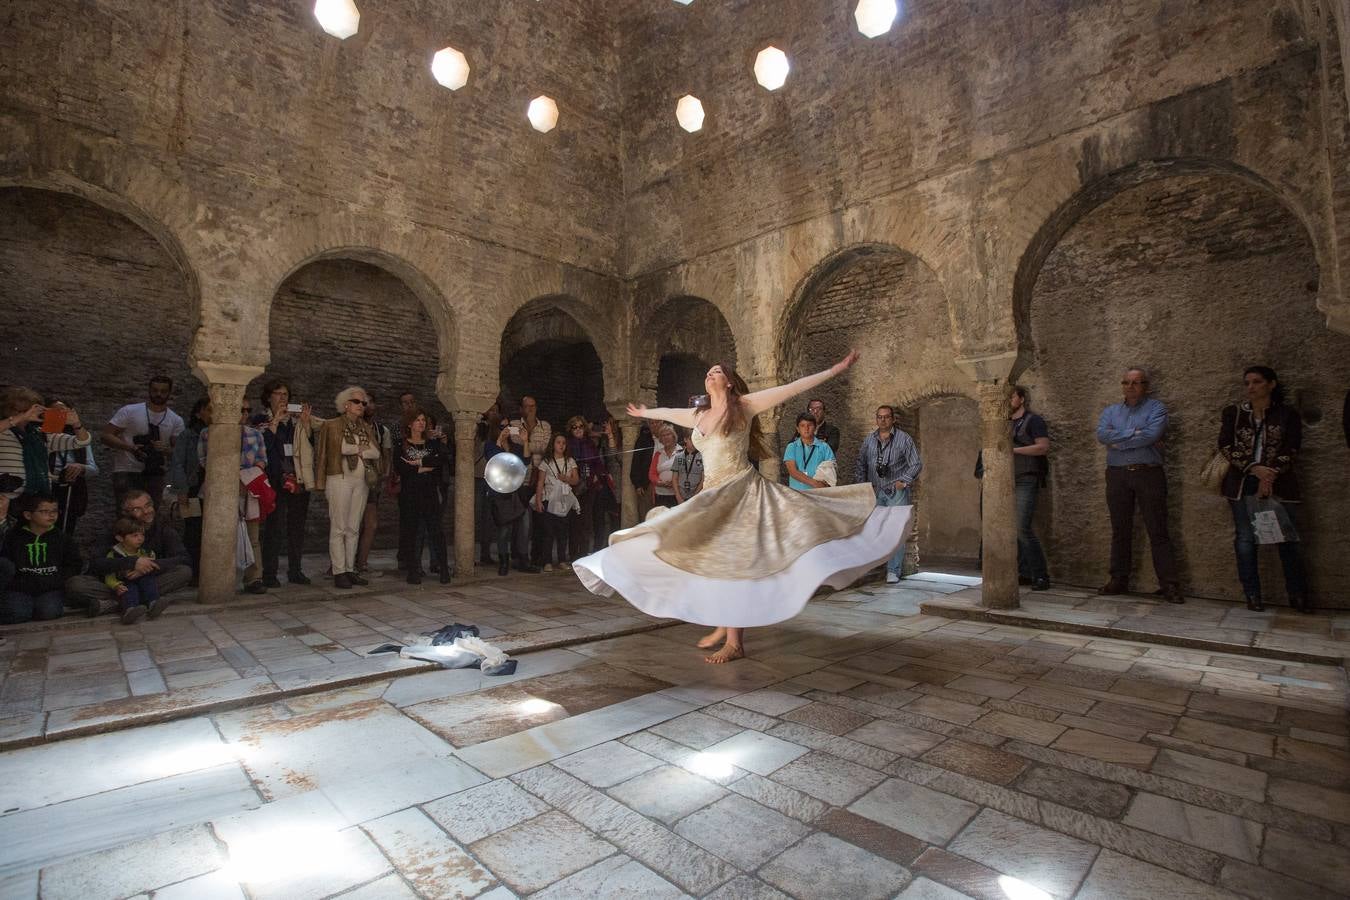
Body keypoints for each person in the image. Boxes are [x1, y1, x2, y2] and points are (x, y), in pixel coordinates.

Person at [574, 353, 912, 664]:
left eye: (717, 371)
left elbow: (791, 387)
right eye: (708, 372)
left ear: (729, 381)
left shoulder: (744, 405)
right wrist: (645, 413)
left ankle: (734, 641)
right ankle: (725, 624)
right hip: (712, 495)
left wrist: (834, 371)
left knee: (734, 559)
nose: (710, 374)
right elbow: (670, 413)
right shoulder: (699, 414)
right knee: (692, 548)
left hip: (742, 492)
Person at [1217, 366, 1310, 612]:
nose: (1251, 387)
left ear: (1271, 384)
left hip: (1279, 481)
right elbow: (1226, 445)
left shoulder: (1286, 414)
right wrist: (1253, 468)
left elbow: (1292, 447)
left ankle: (1297, 594)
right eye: (1247, 382)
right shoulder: (1234, 413)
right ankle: (1252, 594)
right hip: (1243, 481)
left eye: (1257, 382)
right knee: (1246, 539)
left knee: (1287, 539)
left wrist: (1269, 475)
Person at [1095, 367, 1182, 604]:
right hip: (1117, 475)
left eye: (1136, 382)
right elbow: (1102, 435)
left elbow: (1151, 435)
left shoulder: (1156, 408)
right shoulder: (1111, 411)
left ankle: (1169, 584)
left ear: (1146, 386)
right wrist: (1134, 433)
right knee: (1120, 529)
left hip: (1148, 474)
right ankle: (1119, 579)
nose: (1130, 387)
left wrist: (1120, 440)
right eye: (1126, 382)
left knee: (1158, 529)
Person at [67, 488, 194, 616]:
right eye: (137, 509)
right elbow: (95, 564)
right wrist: (132, 563)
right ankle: (141, 601)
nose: (145, 512)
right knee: (76, 584)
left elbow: (183, 558)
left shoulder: (163, 530)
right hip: (118, 584)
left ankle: (115, 604)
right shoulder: (116, 531)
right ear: (126, 513)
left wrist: (146, 566)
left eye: (148, 505)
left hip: (148, 581)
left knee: (184, 572)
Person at [254, 380, 319, 587]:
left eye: (286, 395)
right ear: (268, 396)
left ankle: (295, 570)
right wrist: (274, 423)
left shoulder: (295, 422)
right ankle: (269, 573)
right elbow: (262, 447)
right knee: (274, 527)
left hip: (296, 479)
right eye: (278, 394)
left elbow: (309, 448)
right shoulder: (260, 420)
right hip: (275, 479)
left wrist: (306, 425)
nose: (282, 398)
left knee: (297, 527)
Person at [315, 387, 381, 588]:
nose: (362, 406)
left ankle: (350, 569)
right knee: (339, 527)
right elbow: (336, 449)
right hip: (339, 478)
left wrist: (359, 450)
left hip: (360, 481)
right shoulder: (333, 425)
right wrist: (359, 449)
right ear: (346, 404)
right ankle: (339, 571)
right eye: (357, 402)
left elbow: (376, 452)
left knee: (353, 527)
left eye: (364, 403)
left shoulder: (365, 427)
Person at [200, 401, 270, 594]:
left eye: (248, 410)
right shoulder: (208, 433)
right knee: (220, 535)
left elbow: (262, 460)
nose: (245, 413)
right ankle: (219, 579)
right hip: (220, 490)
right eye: (241, 409)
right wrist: (229, 479)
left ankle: (254, 578)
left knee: (252, 536)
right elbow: (205, 460)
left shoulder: (255, 435)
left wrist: (245, 479)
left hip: (248, 489)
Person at [855, 405, 922, 584]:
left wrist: (904, 481)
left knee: (895, 531)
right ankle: (875, 565)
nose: (883, 420)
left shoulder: (904, 439)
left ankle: (893, 570)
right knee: (874, 530)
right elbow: (861, 463)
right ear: (876, 419)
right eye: (879, 417)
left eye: (886, 417)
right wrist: (862, 486)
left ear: (893, 419)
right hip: (875, 491)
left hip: (896, 491)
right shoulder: (869, 440)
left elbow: (916, 464)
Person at [101, 375, 184, 506]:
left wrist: (165, 449)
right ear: (149, 390)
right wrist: (130, 448)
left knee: (151, 514)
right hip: (127, 470)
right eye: (155, 390)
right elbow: (106, 435)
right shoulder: (130, 411)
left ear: (169, 393)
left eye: (163, 391)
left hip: (155, 474)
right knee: (127, 514)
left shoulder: (176, 420)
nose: (158, 394)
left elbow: (179, 453)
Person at [1, 388, 93, 503]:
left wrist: (76, 424)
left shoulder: (40, 434)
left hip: (36, 500)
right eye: (20, 410)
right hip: (5, 499)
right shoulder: (3, 431)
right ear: (7, 409)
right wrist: (19, 418)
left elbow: (82, 441)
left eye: (29, 409)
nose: (27, 413)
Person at [0, 493, 81, 624]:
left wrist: (57, 581)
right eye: (44, 511)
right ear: (28, 515)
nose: (51, 515)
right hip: (20, 588)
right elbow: (6, 563)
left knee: (48, 612)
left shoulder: (63, 538)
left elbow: (74, 564)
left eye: (54, 511)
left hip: (50, 587)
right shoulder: (14, 537)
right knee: (17, 613)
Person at [397, 408, 451, 584]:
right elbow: (401, 468)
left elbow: (440, 460)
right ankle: (413, 570)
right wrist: (424, 468)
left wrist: (419, 463)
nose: (421, 423)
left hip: (429, 492)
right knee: (411, 532)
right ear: (410, 423)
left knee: (436, 531)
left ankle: (444, 569)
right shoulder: (401, 444)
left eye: (423, 420)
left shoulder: (432, 444)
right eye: (417, 420)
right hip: (410, 493)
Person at [1010, 386, 1051, 591]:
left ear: (1022, 398)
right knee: (1013, 529)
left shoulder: (1033, 420)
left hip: (1027, 478)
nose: (1007, 401)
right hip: (1008, 481)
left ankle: (1041, 575)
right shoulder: (1005, 423)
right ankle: (1025, 572)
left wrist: (1013, 450)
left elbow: (1043, 447)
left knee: (1022, 527)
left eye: (1011, 397)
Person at [168, 398, 210, 584]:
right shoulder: (188, 435)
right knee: (193, 530)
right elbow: (178, 463)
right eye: (208, 410)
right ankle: (192, 571)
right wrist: (182, 489)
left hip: (213, 489)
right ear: (198, 412)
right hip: (193, 489)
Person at [485, 412, 531, 576]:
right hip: (500, 493)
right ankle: (503, 562)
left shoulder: (514, 447)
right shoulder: (490, 445)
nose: (505, 430)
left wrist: (525, 441)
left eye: (507, 426)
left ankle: (524, 560)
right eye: (502, 427)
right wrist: (499, 440)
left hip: (516, 492)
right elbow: (492, 458)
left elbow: (526, 461)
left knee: (524, 526)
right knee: (504, 529)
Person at [47, 398, 99, 538]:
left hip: (70, 487)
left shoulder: (80, 436)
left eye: (64, 412)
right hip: (47, 485)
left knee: (66, 528)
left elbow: (94, 469)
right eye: (55, 411)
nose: (60, 415)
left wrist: (81, 467)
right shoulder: (40, 434)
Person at [103, 517, 168, 624]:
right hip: (125, 582)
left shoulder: (145, 551)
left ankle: (153, 604)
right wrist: (116, 585)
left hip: (144, 581)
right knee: (129, 590)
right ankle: (130, 611)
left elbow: (154, 565)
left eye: (142, 535)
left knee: (149, 582)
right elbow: (109, 575)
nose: (140, 539)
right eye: (135, 536)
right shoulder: (114, 554)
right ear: (120, 538)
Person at [354, 395, 393, 575]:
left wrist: (383, 475)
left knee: (370, 524)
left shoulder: (381, 430)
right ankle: (340, 564)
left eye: (370, 402)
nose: (367, 405)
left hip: (371, 482)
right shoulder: (350, 426)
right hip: (351, 479)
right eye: (363, 402)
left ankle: (361, 563)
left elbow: (386, 455)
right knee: (349, 523)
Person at [534, 432, 580, 571]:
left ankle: (561, 560)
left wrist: (566, 479)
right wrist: (538, 500)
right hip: (549, 498)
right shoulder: (546, 462)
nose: (561, 445)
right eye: (558, 442)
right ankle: (547, 561)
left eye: (564, 443)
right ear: (553, 445)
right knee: (548, 531)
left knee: (563, 531)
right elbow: (540, 482)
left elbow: (576, 480)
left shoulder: (570, 461)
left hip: (564, 500)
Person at [565, 416, 603, 558]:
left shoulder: (590, 444)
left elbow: (597, 463)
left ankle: (583, 553)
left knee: (586, 520)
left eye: (581, 426)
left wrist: (595, 475)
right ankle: (573, 554)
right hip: (571, 486)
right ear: (571, 429)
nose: (578, 429)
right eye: (575, 427)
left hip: (588, 485)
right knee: (573, 521)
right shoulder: (568, 444)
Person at [783, 412, 835, 491]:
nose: (806, 428)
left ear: (815, 427)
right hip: (797, 494)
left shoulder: (824, 447)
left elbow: (830, 472)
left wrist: (824, 485)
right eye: (802, 425)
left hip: (819, 495)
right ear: (798, 429)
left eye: (809, 425)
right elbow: (793, 471)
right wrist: (815, 483)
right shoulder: (792, 447)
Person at [647, 424, 680, 509]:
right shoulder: (658, 454)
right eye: (663, 435)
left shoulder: (681, 452)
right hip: (661, 494)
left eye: (668, 434)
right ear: (660, 439)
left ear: (673, 436)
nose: (666, 437)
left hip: (678, 493)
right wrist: (659, 482)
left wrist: (674, 482)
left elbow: (686, 472)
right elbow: (652, 473)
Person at [672, 428, 704, 503]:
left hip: (697, 497)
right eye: (691, 439)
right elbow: (674, 478)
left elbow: (703, 479)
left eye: (696, 439)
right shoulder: (678, 456)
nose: (694, 442)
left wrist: (695, 496)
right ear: (685, 439)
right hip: (681, 496)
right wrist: (678, 496)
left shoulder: (702, 457)